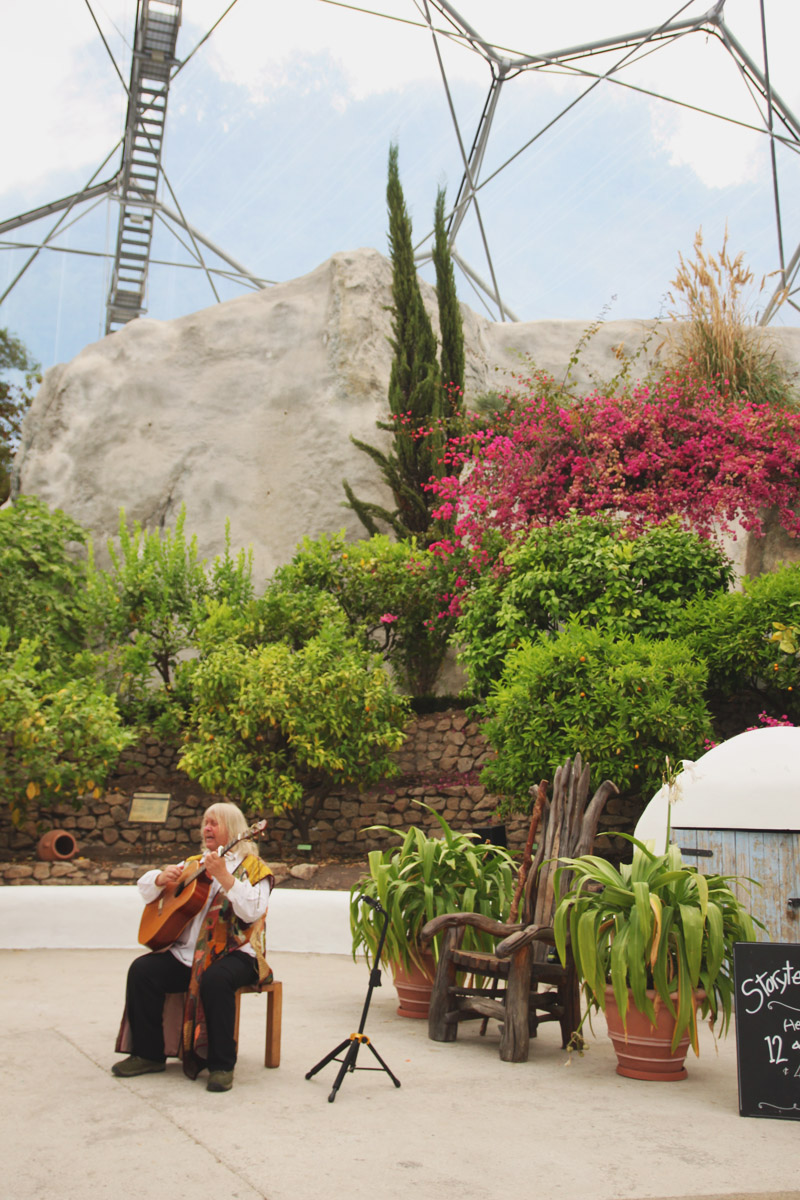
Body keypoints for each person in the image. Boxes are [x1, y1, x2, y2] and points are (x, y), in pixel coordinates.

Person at [112, 802, 273, 1093]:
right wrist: (160, 879)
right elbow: (146, 888)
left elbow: (252, 912)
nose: (206, 828)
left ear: (234, 830)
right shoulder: (194, 863)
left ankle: (222, 1065)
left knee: (216, 979)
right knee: (142, 970)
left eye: (214, 823)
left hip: (237, 953)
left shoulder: (254, 869)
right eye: (205, 823)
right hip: (188, 954)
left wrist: (225, 877)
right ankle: (149, 1054)